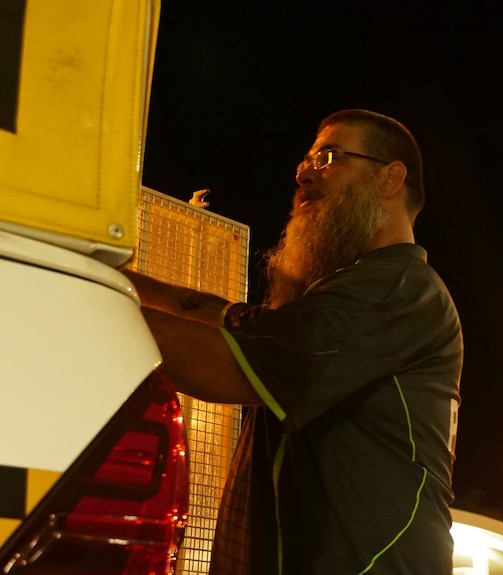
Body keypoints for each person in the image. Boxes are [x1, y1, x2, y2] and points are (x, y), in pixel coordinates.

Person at [124, 109, 463, 574]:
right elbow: (217, 316)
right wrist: (115, 281)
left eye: (329, 157)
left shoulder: (396, 286)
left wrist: (79, 303)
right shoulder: (347, 297)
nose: (304, 172)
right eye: (306, 161)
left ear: (391, 177)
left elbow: (228, 364)